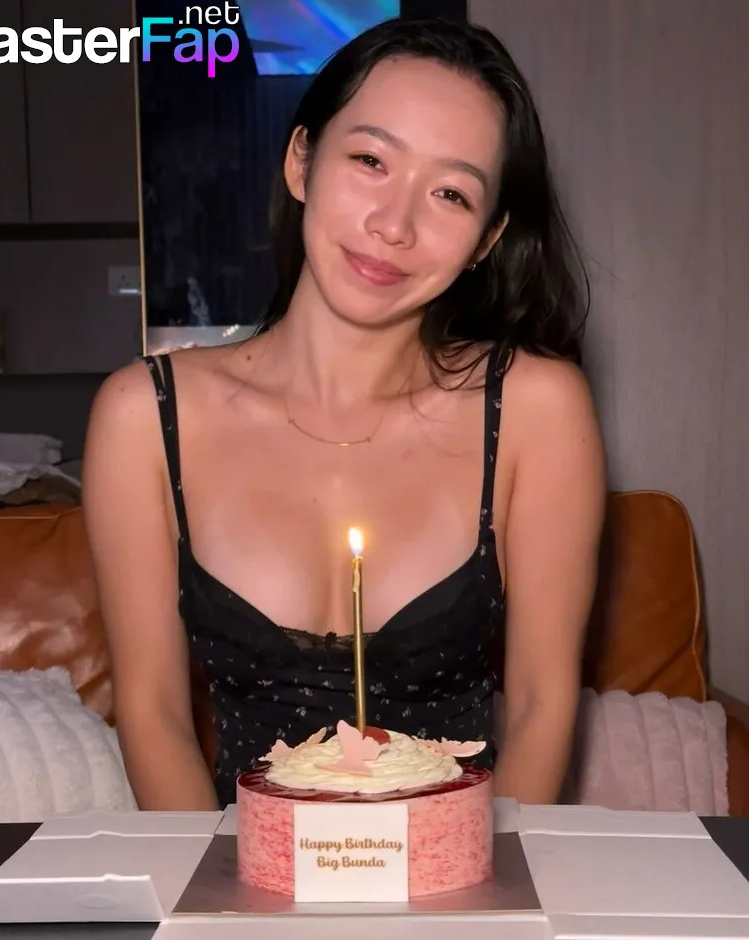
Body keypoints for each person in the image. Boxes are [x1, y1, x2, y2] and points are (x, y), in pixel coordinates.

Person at [82, 16, 606, 812]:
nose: (394, 225)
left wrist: (481, 888)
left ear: (486, 239)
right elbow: (153, 717)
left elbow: (542, 709)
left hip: (464, 876)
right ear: (301, 160)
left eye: (450, 193)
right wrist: (226, 892)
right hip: (239, 876)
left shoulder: (537, 410)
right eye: (370, 160)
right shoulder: (143, 418)